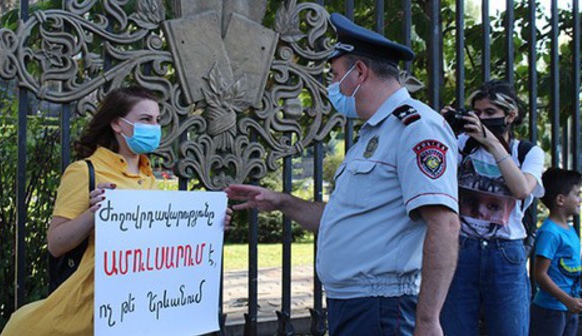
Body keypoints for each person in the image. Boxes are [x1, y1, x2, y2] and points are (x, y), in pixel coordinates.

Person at [225, 13, 460, 336]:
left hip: (382, 307)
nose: (333, 86)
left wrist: (427, 320)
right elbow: (345, 218)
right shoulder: (372, 134)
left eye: (336, 75)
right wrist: (281, 202)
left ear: (360, 72)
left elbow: (444, 224)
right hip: (353, 304)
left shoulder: (417, 128)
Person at [2, 87, 232, 335]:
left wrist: (209, 225)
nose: (154, 127)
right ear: (117, 124)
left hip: (138, 313)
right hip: (86, 314)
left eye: (156, 120)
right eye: (145, 119)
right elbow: (56, 244)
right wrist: (93, 213)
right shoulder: (84, 171)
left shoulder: (149, 179)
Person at [440, 80, 546, 335]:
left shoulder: (527, 152)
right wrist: (441, 129)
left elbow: (521, 189)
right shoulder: (463, 145)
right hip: (462, 248)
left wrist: (492, 143)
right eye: (476, 113)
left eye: (490, 113)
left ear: (510, 116)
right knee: (455, 328)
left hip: (505, 253)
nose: (481, 119)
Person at [530, 168, 582, 336]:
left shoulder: (571, 230)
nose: (580, 200)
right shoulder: (550, 233)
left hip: (568, 307)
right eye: (577, 194)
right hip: (551, 310)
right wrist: (566, 300)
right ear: (560, 199)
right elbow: (540, 274)